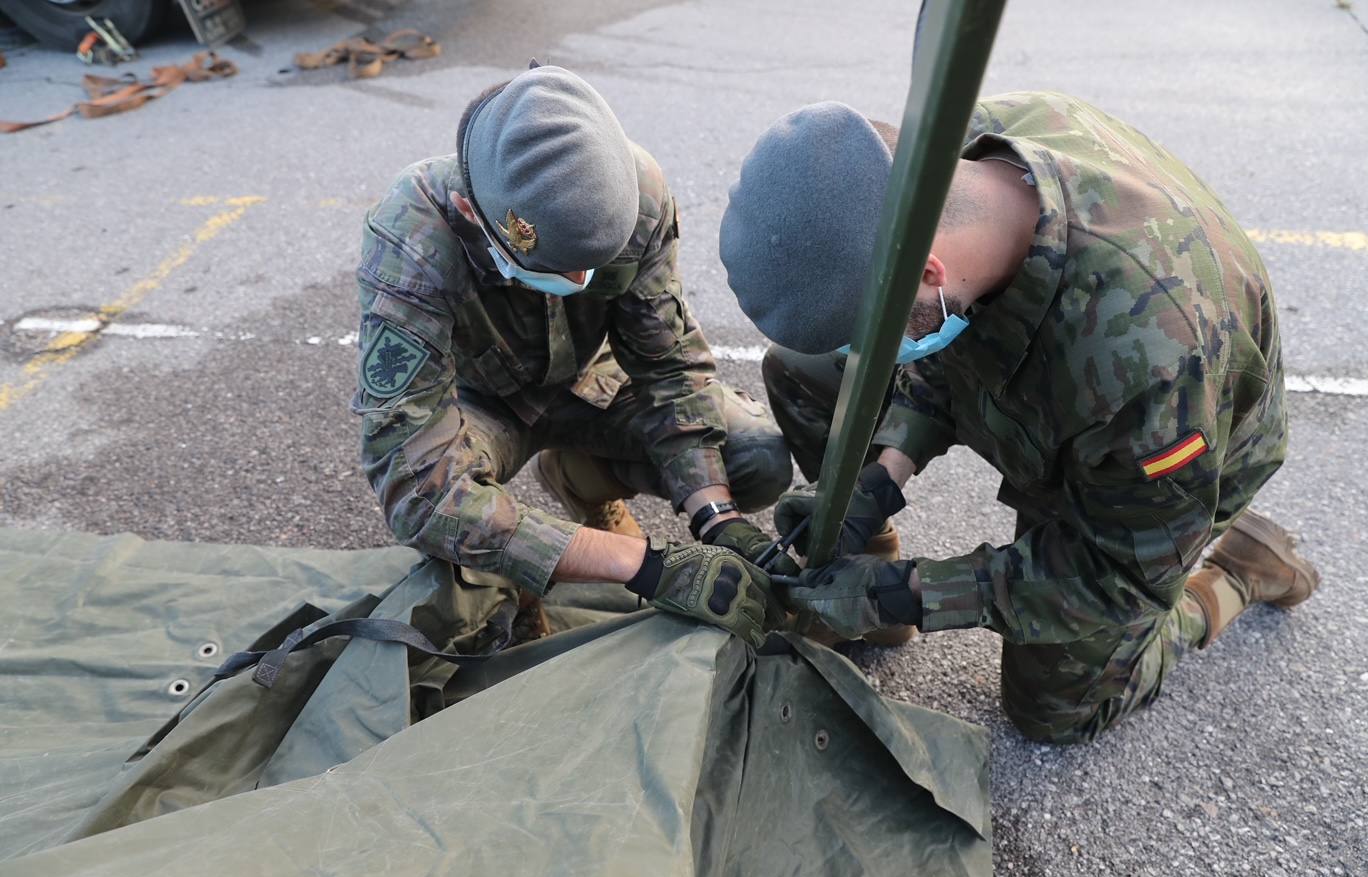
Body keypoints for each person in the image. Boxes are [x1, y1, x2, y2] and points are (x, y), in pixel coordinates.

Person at [717, 93, 1320, 743]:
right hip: (1050, 391)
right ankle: (854, 585)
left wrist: (911, 592)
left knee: (1053, 714)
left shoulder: (1147, 364)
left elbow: (1116, 575)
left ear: (928, 270)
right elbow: (937, 351)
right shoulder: (967, 164)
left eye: (864, 334)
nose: (861, 356)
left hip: (1144, 481)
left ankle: (1234, 574)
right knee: (800, 371)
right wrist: (879, 479)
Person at [352, 63, 794, 646]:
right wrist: (645, 566)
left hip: (591, 382)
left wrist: (718, 518)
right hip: (481, 405)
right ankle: (534, 583)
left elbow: (667, 365)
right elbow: (417, 486)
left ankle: (580, 478)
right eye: (552, 270)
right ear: (470, 215)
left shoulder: (634, 193)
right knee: (456, 553)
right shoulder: (413, 233)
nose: (580, 279)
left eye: (591, 266)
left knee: (755, 458)